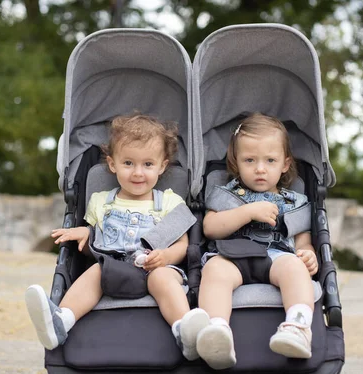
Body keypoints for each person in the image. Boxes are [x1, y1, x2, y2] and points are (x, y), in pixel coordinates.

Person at [25, 113, 210, 361]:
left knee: (164, 279)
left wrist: (165, 256)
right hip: (115, 269)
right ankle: (61, 321)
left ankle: (184, 331)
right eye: (128, 163)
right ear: (112, 164)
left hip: (156, 267)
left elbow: (184, 245)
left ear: (162, 166)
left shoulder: (169, 202)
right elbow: (94, 242)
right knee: (95, 273)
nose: (137, 173)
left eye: (148, 164)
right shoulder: (102, 201)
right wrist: (83, 233)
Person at [196, 113, 318, 370]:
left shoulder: (294, 201)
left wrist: (307, 254)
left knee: (294, 268)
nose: (260, 168)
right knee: (214, 270)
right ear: (236, 163)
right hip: (232, 255)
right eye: (250, 160)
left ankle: (298, 326)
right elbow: (210, 228)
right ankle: (217, 331)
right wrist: (246, 212)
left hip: (277, 256)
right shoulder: (228, 194)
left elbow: (303, 240)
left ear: (285, 164)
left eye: (270, 160)